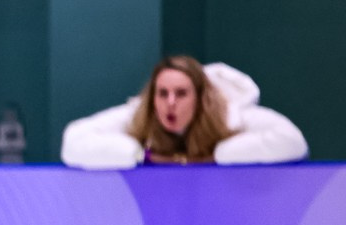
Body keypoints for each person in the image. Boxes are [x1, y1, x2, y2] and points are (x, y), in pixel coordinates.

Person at [61, 56, 307, 169]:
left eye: (181, 94)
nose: (170, 103)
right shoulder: (139, 114)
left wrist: (216, 156)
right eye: (162, 93)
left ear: (200, 99)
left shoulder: (231, 115)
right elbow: (74, 141)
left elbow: (291, 141)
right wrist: (140, 156)